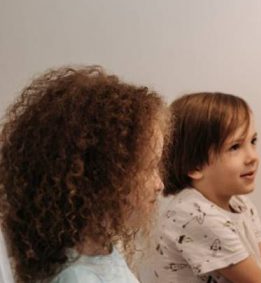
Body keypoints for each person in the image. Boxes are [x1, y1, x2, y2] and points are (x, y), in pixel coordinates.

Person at [0, 66, 169, 282]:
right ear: (102, 178)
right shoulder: (77, 277)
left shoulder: (104, 252)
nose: (159, 184)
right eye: (148, 168)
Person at [152, 92, 261, 282]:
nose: (252, 156)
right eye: (235, 147)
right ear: (195, 165)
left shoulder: (240, 202)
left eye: (252, 141)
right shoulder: (196, 216)